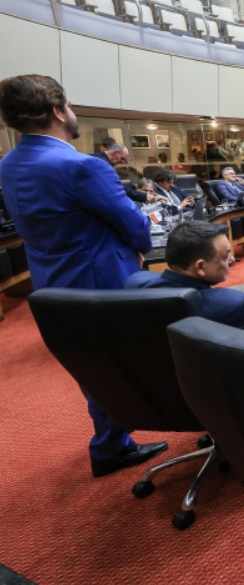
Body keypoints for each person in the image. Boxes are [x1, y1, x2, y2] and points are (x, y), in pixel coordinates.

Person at [0, 74, 165, 477]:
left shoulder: (9, 162)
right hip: (102, 283)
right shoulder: (82, 166)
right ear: (58, 111)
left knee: (92, 368)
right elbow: (135, 227)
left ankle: (111, 442)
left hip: (51, 280)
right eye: (70, 107)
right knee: (125, 364)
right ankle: (111, 447)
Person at [125, 221, 244, 333]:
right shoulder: (231, 304)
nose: (232, 260)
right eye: (225, 255)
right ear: (200, 267)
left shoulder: (135, 283)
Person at [91, 142, 157, 204]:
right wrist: (144, 196)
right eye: (122, 158)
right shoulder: (102, 164)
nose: (123, 162)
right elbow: (117, 188)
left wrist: (135, 188)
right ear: (114, 153)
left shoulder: (97, 157)